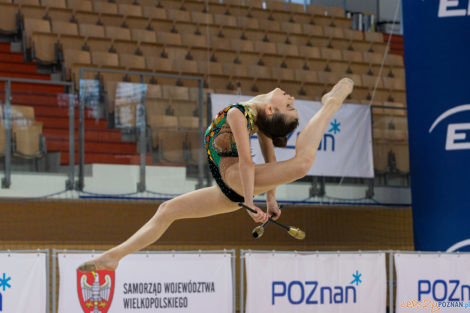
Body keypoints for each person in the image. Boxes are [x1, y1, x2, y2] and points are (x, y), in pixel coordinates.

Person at [78, 78, 354, 271]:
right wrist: (269, 200)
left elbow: (248, 163)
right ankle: (113, 257)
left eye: (289, 105)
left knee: (301, 164)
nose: (291, 98)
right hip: (228, 188)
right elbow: (269, 163)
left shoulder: (238, 113)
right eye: (292, 104)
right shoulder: (257, 117)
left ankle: (330, 105)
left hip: (235, 179)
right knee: (166, 210)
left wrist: (252, 202)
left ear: (271, 109)